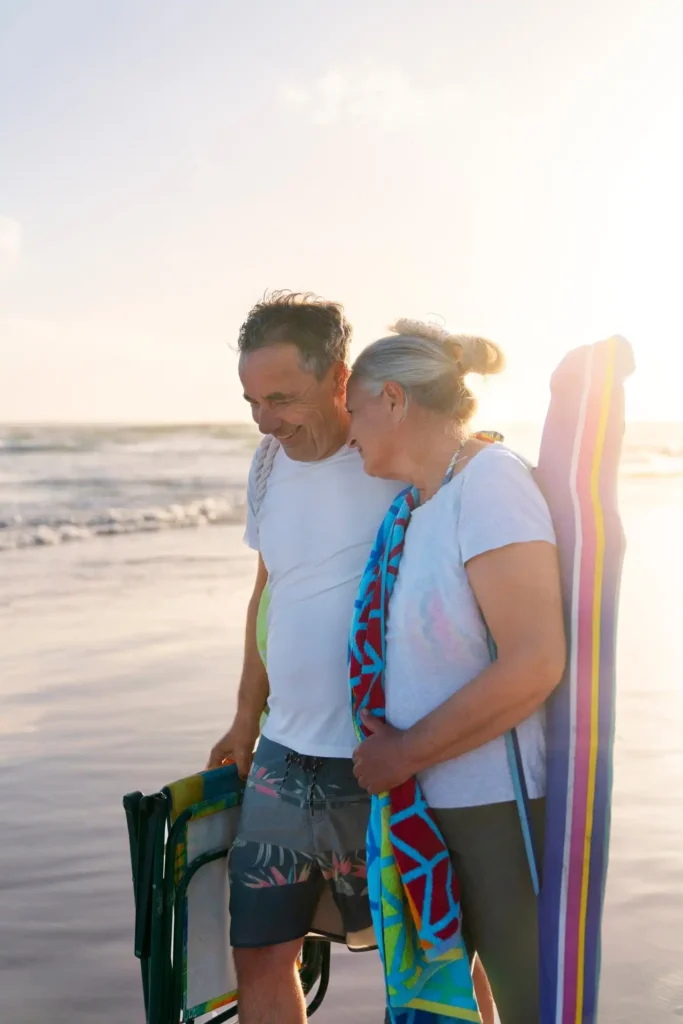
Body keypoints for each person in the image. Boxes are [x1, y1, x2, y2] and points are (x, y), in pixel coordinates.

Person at [207, 295, 496, 1024]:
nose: (266, 421)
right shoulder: (267, 466)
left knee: (440, 963)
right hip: (282, 757)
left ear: (340, 379)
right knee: (261, 954)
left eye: (282, 399)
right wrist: (245, 718)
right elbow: (268, 590)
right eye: (251, 402)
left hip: (386, 761)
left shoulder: (397, 458)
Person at [346, 319, 567, 1024]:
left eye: (351, 411)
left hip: (498, 813)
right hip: (429, 812)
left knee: (531, 1009)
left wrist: (403, 752)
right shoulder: (414, 510)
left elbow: (535, 662)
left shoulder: (490, 485)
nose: (347, 431)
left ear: (390, 400)